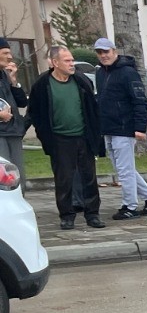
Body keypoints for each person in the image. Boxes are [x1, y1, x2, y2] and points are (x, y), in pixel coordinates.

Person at [27, 44, 104, 230]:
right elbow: (35, 113)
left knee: (89, 177)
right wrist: (43, 135)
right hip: (59, 139)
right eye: (67, 60)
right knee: (64, 179)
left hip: (83, 137)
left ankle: (92, 214)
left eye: (72, 60)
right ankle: (67, 215)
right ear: (55, 63)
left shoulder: (81, 81)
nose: (72, 64)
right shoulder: (42, 84)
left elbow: (92, 109)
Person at [91, 36, 147, 220]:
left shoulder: (128, 73)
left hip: (124, 128)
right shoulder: (100, 73)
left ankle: (130, 206)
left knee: (125, 170)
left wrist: (140, 127)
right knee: (125, 169)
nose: (103, 55)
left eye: (106, 52)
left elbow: (140, 101)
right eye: (99, 52)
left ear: (114, 51)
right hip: (109, 128)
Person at [0, 39, 28, 190]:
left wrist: (14, 82)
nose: (10, 57)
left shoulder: (5, 75)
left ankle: (19, 205)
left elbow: (22, 102)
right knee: (3, 178)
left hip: (14, 131)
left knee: (17, 176)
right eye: (5, 53)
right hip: (1, 135)